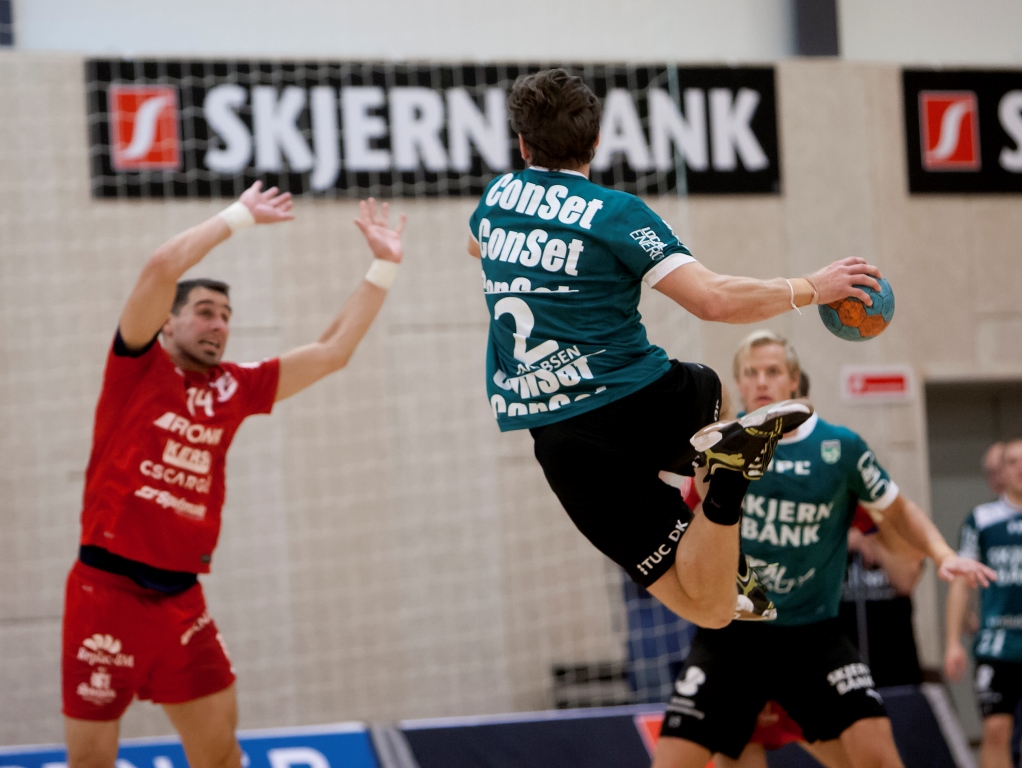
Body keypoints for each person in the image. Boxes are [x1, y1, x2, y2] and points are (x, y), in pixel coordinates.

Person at [466, 67, 886, 628]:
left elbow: (476, 244)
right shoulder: (616, 214)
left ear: (522, 144)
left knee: (706, 612)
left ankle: (724, 500)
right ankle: (725, 486)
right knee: (717, 405)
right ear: (596, 141)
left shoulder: (497, 200)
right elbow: (713, 299)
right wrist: (813, 287)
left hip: (565, 441)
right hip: (652, 402)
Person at [62, 183, 406, 768]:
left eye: (226, 317)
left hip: (181, 599)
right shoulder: (136, 366)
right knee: (90, 761)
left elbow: (331, 352)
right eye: (204, 312)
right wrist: (240, 216)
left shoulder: (235, 388)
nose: (219, 325)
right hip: (105, 593)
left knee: (221, 756)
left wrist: (384, 266)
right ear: (166, 323)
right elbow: (161, 267)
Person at [653, 330, 995, 768]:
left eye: (773, 371)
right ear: (738, 383)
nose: (761, 381)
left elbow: (898, 509)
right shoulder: (719, 450)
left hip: (812, 634)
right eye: (751, 373)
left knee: (877, 755)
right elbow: (686, 531)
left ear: (794, 380)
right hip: (732, 636)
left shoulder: (840, 447)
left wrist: (944, 555)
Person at [945, 437, 1022, 768]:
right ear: (1001, 471)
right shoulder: (982, 519)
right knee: (995, 730)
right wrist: (953, 642)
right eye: (1013, 462)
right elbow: (962, 582)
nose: (1020, 468)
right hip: (997, 644)